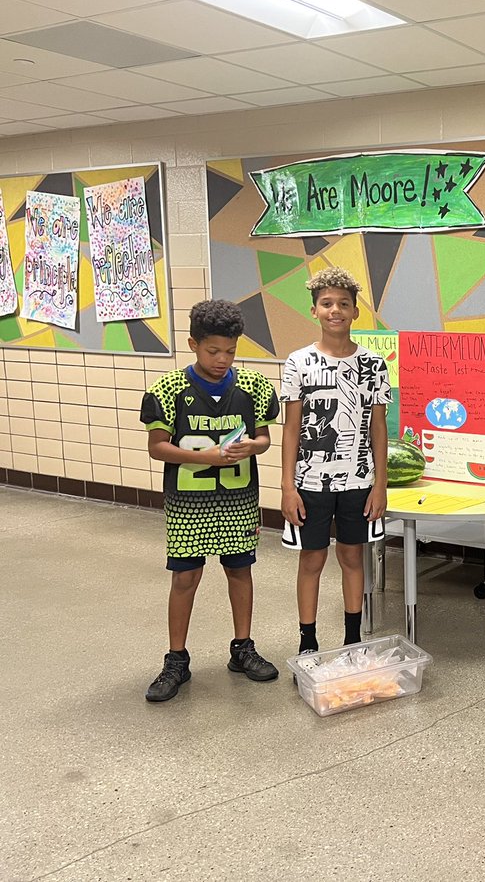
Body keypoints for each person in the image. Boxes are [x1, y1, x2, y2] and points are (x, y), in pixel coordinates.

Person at [141, 299, 281, 702]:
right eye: (213, 351)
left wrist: (252, 446)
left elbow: (264, 439)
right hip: (188, 503)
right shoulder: (168, 391)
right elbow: (157, 448)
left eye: (231, 351)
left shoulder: (253, 387)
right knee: (185, 577)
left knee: (240, 571)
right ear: (193, 344)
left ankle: (242, 648)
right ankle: (176, 659)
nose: (222, 359)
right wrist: (203, 458)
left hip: (238, 499)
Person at [280, 267, 390, 661]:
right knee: (312, 558)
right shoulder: (297, 362)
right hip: (309, 481)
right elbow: (291, 429)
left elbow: (379, 429)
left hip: (359, 480)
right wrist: (287, 487)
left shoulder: (374, 364)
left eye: (344, 304)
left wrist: (380, 484)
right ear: (314, 311)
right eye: (327, 304)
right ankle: (307, 639)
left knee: (351, 556)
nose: (335, 310)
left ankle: (352, 637)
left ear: (356, 312)